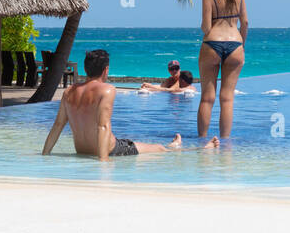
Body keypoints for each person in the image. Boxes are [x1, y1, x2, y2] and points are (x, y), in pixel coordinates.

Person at [44, 49, 218, 158]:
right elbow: (102, 126)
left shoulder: (69, 92)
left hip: (82, 150)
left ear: (86, 68)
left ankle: (174, 144)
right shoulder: (107, 90)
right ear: (106, 70)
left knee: (145, 146)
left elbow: (58, 125)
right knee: (158, 149)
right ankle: (202, 149)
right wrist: (103, 162)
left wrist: (45, 155)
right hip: (110, 149)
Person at [198, 0, 247, 138]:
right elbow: (246, 22)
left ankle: (202, 143)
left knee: (207, 98)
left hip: (212, 43)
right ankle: (225, 144)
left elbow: (205, 27)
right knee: (227, 99)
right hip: (236, 44)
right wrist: (242, 45)